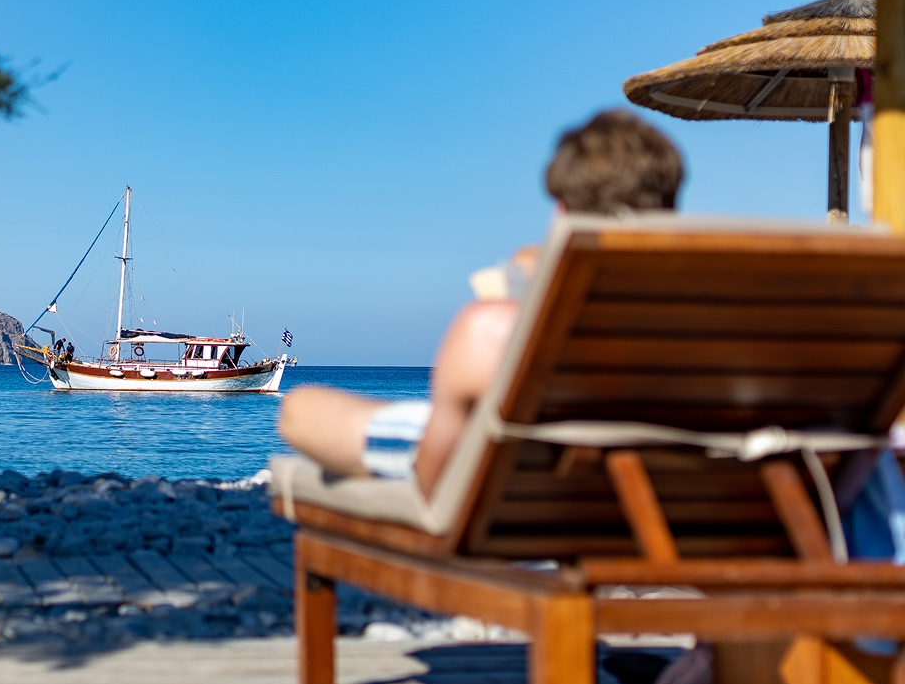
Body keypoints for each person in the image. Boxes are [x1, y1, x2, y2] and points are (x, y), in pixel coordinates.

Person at [278, 109, 684, 496]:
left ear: (561, 208)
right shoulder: (701, 326)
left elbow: (435, 482)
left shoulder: (490, 330)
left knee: (302, 408)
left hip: (518, 480)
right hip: (659, 476)